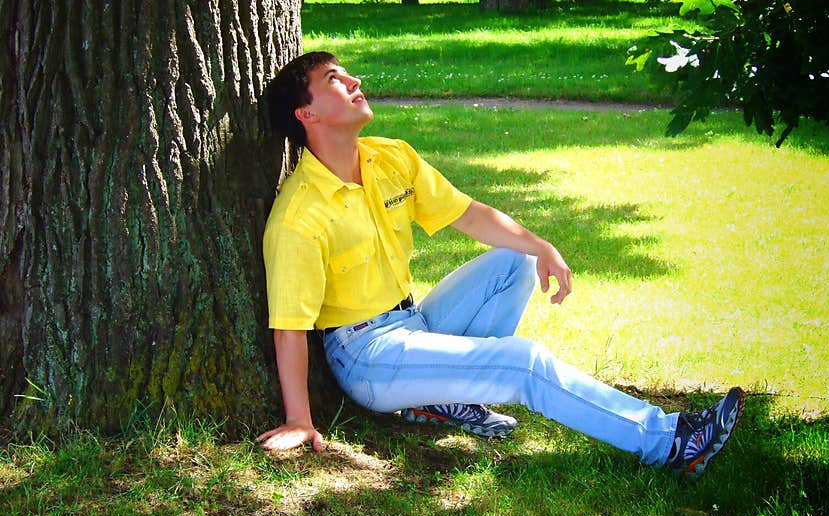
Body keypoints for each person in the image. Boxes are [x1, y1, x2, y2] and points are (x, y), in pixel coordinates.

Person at [257, 50, 745, 480]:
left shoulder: (390, 158)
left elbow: (468, 214)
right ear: (307, 114)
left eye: (348, 74)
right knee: (522, 363)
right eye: (334, 81)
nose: (354, 82)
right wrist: (300, 419)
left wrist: (541, 245)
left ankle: (434, 398)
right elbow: (290, 330)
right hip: (366, 353)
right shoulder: (300, 216)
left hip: (412, 320)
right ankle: (671, 443)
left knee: (516, 259)